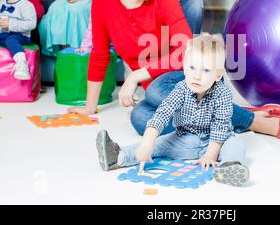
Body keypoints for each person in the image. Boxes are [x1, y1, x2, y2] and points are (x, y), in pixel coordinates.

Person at [68, 0, 280, 141]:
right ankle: (224, 115)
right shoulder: (103, 0)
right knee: (140, 119)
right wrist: (90, 106)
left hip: (191, 76)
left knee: (156, 92)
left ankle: (252, 121)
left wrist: (137, 74)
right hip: (161, 91)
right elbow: (99, 54)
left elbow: (185, 50)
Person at [96, 34, 250, 187]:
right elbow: (163, 113)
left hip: (218, 141)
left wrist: (210, 155)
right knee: (158, 144)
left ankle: (229, 166)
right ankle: (119, 156)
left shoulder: (222, 93)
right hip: (186, 138)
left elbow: (220, 126)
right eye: (192, 67)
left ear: (217, 75)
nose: (196, 75)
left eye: (205, 70)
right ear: (184, 67)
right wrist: (147, 143)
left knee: (235, 143)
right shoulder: (181, 88)